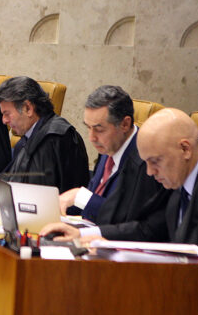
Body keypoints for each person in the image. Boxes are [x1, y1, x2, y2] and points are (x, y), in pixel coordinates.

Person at [40, 108, 198, 254]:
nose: (149, 172)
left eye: (155, 161)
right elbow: (149, 230)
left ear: (185, 149)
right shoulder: (178, 179)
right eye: (146, 162)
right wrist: (87, 236)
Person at [46, 85, 169, 230]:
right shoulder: (109, 146)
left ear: (125, 124)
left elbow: (130, 221)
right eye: (88, 127)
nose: (91, 138)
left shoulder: (146, 161)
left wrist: (82, 197)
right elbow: (93, 204)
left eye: (99, 129)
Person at [0, 76, 89, 193]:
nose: (4, 120)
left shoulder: (54, 139)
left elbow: (36, 192)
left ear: (28, 108)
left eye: (7, 114)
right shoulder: (29, 137)